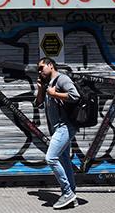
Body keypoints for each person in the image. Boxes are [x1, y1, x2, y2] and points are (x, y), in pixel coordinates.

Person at [34, 57, 80, 209]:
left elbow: (75, 96)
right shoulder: (49, 83)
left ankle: (67, 192)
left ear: (51, 65)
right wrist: (41, 88)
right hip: (57, 128)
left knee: (51, 158)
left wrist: (54, 94)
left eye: (42, 68)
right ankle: (71, 195)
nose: (40, 71)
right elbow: (38, 104)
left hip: (65, 127)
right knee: (65, 160)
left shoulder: (62, 79)